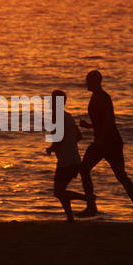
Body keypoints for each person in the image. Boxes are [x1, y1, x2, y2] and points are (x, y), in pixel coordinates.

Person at [77, 70, 133, 223]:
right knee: (120, 176)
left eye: (88, 80)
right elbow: (102, 120)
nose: (86, 83)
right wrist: (89, 126)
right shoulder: (100, 96)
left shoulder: (100, 97)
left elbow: (109, 119)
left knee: (84, 169)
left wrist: (100, 138)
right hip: (111, 142)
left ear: (95, 81)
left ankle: (91, 206)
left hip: (106, 143)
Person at [46, 90, 93, 223]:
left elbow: (59, 138)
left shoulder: (57, 116)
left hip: (66, 161)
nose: (50, 102)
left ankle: (87, 199)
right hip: (74, 158)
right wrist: (68, 145)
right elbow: (79, 136)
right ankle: (70, 218)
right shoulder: (68, 116)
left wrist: (51, 148)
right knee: (61, 190)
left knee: (58, 192)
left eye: (52, 100)